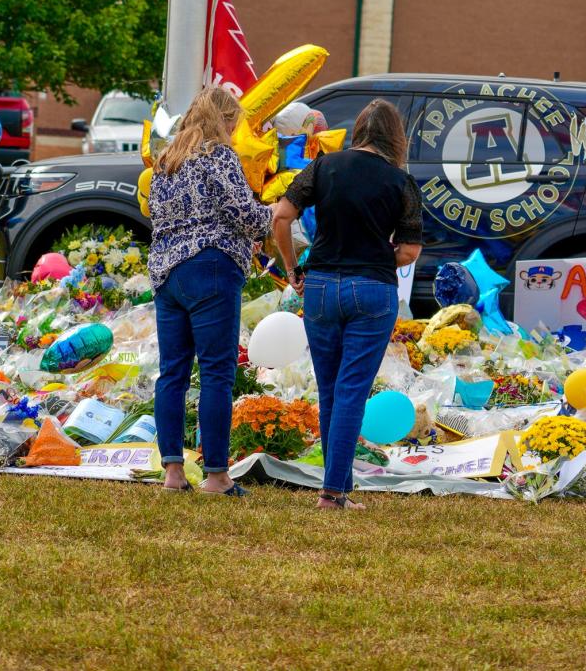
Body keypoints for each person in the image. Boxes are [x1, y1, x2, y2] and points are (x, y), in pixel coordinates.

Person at [271, 97, 422, 511]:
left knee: (331, 391)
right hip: (371, 289)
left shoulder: (324, 166)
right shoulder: (400, 182)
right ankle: (333, 494)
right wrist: (377, 254)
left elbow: (281, 216)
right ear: (395, 137)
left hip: (319, 286)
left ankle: (338, 487)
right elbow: (408, 251)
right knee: (352, 389)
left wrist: (290, 268)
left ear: (358, 131)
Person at [149, 85, 272, 496]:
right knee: (217, 374)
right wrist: (275, 213)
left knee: (173, 373)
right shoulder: (219, 157)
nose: (237, 131)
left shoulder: (166, 160)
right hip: (211, 267)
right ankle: (218, 476)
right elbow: (244, 214)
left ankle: (172, 472)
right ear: (225, 120)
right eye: (235, 122)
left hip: (167, 273)